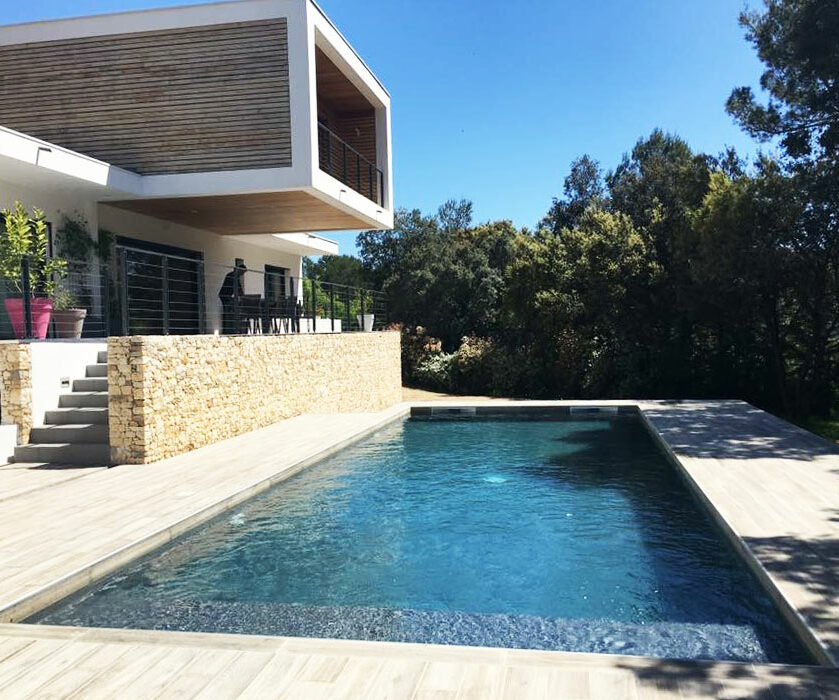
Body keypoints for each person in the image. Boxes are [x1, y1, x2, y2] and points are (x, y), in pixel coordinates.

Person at [218, 258, 246, 334]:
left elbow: (238, 289)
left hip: (226, 295)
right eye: (243, 272)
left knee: (228, 311)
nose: (243, 274)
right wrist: (243, 297)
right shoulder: (233, 276)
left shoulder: (233, 275)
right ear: (240, 270)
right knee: (228, 311)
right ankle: (228, 330)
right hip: (225, 296)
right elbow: (238, 289)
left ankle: (229, 329)